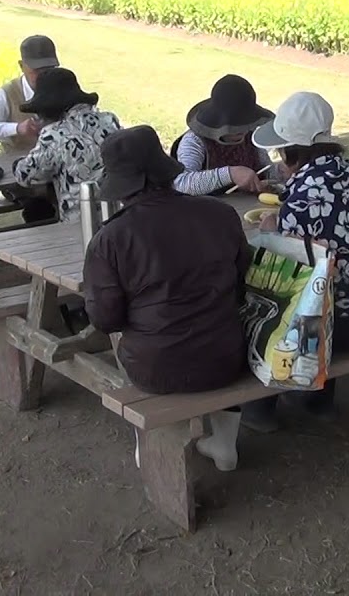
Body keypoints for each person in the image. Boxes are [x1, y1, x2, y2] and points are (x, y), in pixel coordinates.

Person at [84, 125, 249, 471]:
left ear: (120, 185)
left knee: (136, 340)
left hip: (155, 369)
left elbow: (105, 319)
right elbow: (241, 283)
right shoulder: (220, 213)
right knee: (215, 322)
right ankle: (224, 444)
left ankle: (151, 446)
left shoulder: (110, 237)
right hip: (227, 357)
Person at [242, 92, 349, 432]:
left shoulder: (300, 195)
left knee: (271, 303)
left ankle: (259, 410)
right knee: (327, 290)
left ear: (291, 152)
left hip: (336, 331)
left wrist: (272, 228)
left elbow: (287, 267)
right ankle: (319, 403)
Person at [13, 67, 122, 223]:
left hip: (80, 220)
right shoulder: (109, 120)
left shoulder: (55, 133)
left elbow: (25, 175)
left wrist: (18, 163)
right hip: (118, 214)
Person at [0, 35, 60, 223]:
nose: (44, 75)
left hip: (57, 168)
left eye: (49, 69)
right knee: (39, 209)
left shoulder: (63, 87)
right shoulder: (8, 93)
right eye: (37, 70)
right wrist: (17, 128)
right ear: (22, 66)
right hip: (23, 173)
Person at [171, 74, 274, 195]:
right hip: (206, 210)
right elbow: (182, 183)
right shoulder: (195, 140)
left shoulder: (251, 135)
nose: (244, 129)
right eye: (236, 124)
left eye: (246, 123)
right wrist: (230, 174)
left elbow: (265, 169)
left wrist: (279, 172)